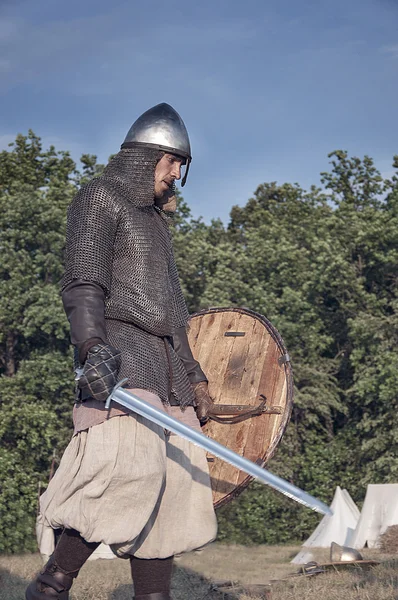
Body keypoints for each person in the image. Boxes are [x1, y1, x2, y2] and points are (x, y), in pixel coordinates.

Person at [26, 103, 218, 600]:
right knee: (117, 475)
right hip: (120, 356)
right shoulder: (99, 198)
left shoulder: (155, 223)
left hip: (167, 367)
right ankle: (52, 585)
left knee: (172, 495)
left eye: (181, 165)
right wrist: (93, 348)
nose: (177, 174)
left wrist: (194, 377)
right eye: (172, 161)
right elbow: (84, 283)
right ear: (146, 156)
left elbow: (173, 316)